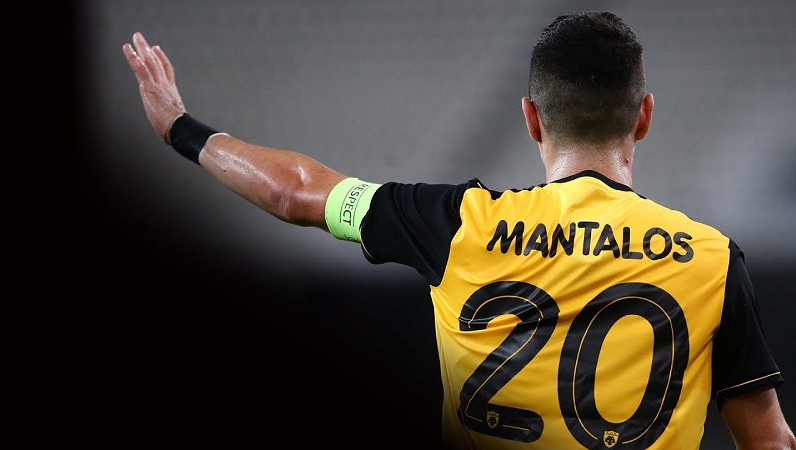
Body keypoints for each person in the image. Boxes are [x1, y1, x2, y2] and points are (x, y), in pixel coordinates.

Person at [123, 11, 795, 450]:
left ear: (531, 118)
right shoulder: (711, 260)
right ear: (643, 116)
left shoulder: (458, 224)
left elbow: (294, 191)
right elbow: (769, 441)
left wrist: (181, 128)